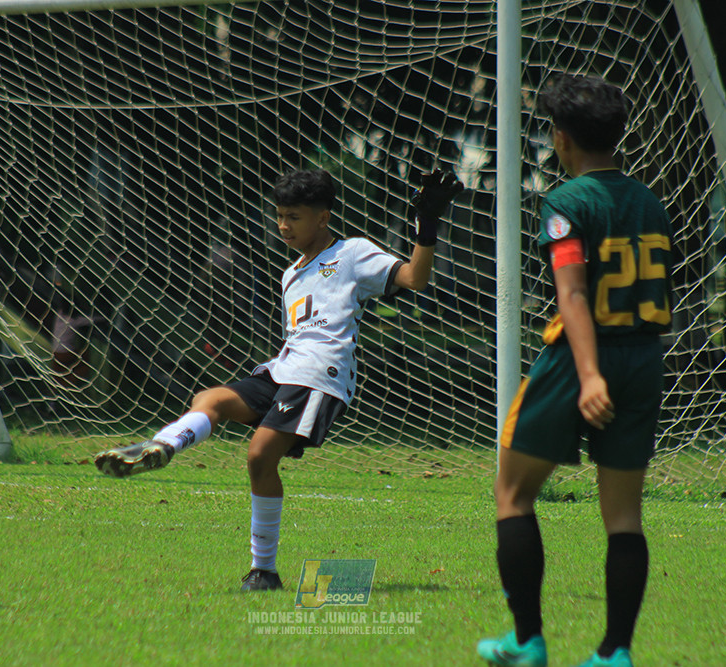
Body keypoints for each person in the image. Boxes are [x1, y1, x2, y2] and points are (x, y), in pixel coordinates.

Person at [94, 167, 463, 591]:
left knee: (259, 455)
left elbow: (415, 278)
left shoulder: (353, 253)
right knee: (210, 398)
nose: (284, 225)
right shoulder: (290, 274)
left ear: (323, 218)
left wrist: (428, 225)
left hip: (321, 377)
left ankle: (263, 570)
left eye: (295, 217)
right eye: (279, 215)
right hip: (282, 370)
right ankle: (163, 445)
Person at [476, 74, 672, 667]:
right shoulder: (650, 201)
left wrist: (588, 375)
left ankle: (528, 641)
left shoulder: (565, 203)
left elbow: (574, 296)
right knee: (623, 515)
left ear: (560, 139)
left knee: (512, 492)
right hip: (643, 359)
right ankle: (614, 653)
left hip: (578, 359)